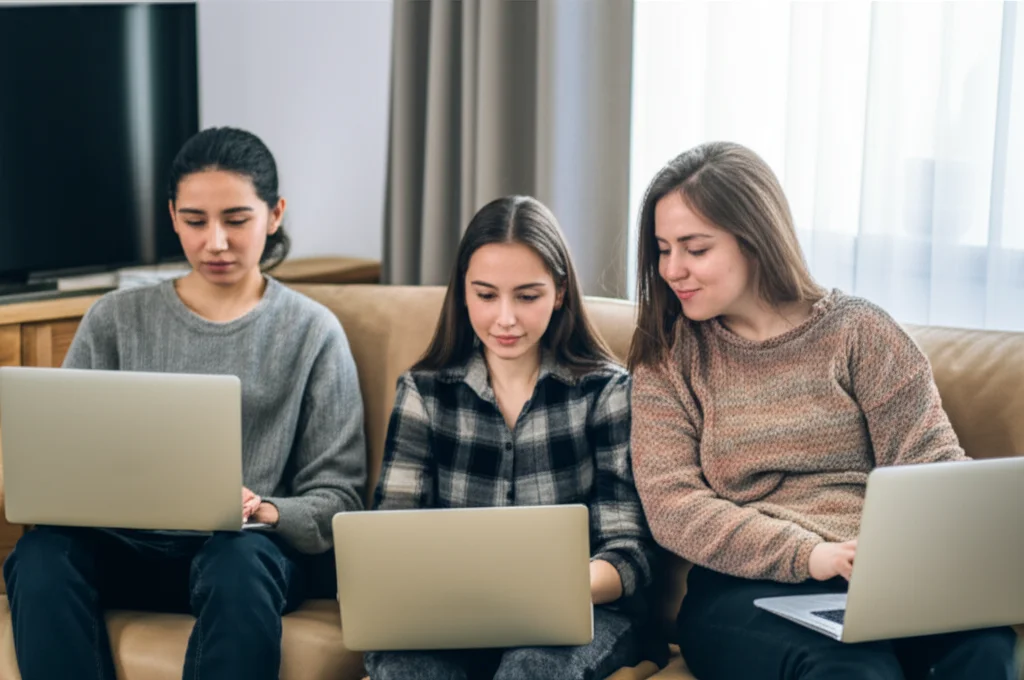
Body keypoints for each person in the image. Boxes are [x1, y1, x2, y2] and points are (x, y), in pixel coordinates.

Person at [628, 141, 1018, 679]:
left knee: (984, 649)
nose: (673, 269)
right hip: (745, 587)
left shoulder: (860, 332)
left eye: (695, 249)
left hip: (880, 574)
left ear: (756, 239)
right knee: (853, 670)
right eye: (663, 248)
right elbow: (675, 506)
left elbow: (930, 463)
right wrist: (809, 554)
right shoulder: (670, 358)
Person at [3, 126, 367, 680]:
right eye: (195, 221)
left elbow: (338, 498)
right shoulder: (116, 319)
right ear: (173, 216)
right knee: (37, 560)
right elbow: (62, 459)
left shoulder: (313, 332)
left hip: (245, 557)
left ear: (275, 215)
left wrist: (264, 509)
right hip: (124, 549)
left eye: (237, 220)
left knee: (237, 561)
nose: (214, 242)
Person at [363, 195, 658, 680]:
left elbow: (629, 551)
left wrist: (545, 589)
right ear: (462, 292)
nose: (505, 318)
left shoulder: (605, 393)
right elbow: (390, 539)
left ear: (559, 293)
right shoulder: (424, 392)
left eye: (527, 296)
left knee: (529, 670)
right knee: (405, 669)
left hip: (576, 616)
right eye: (485, 295)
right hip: (447, 618)